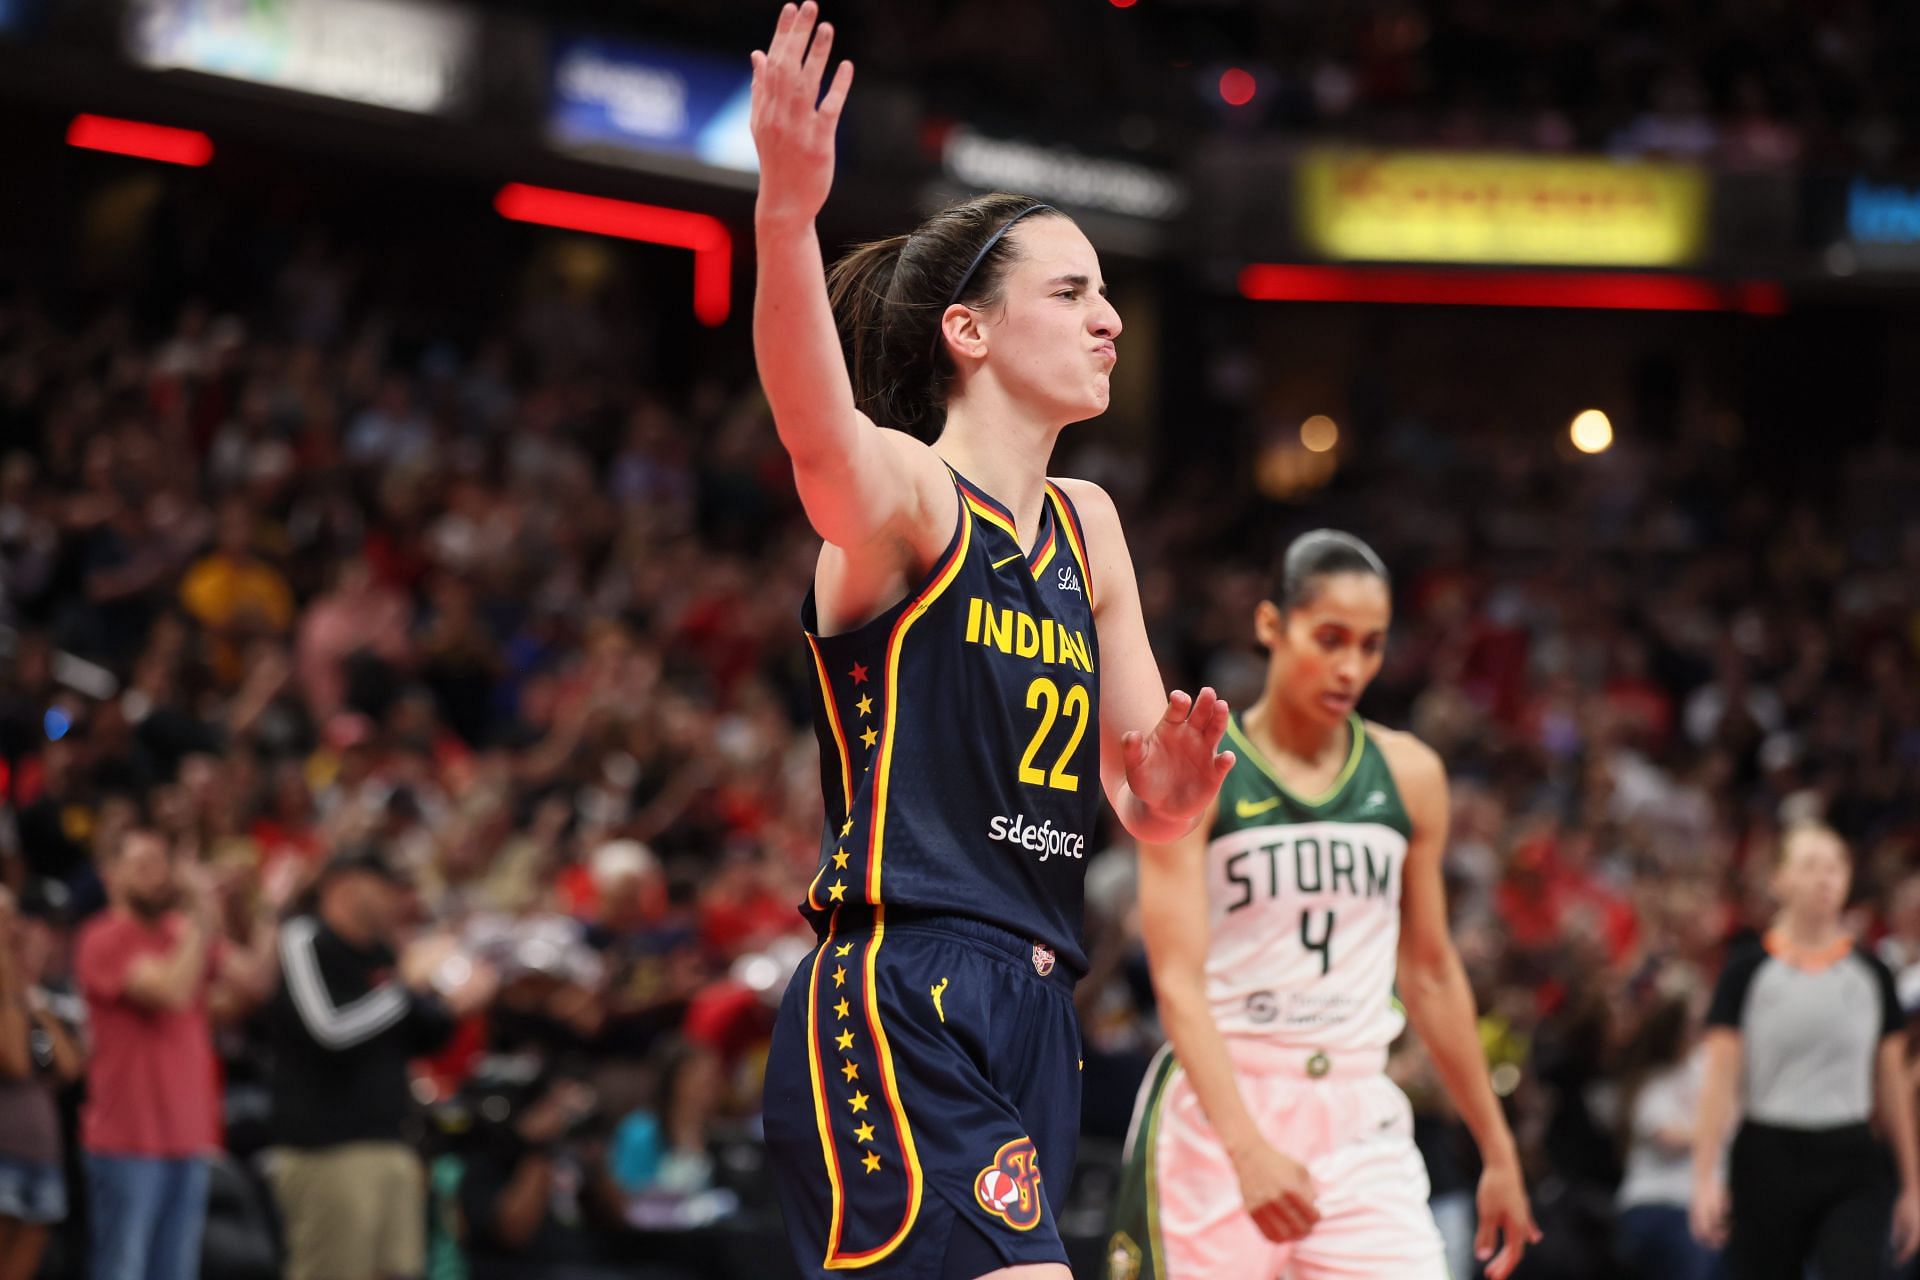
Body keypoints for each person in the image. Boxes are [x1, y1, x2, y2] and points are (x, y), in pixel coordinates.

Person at [747, 5, 1235, 1277]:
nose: (1109, 317)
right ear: (967, 330)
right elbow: (812, 430)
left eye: (1110, 291)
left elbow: (1141, 794)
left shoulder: (1090, 527)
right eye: (1072, 291)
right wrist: (788, 219)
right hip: (900, 983)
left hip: (1038, 999)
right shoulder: (909, 495)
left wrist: (1169, 795)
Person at [1108, 531, 1539, 1280]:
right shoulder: (1201, 770)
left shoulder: (1410, 774)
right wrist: (1245, 1147)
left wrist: (1498, 1151)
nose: (1351, 667)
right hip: (1222, 1108)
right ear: (1272, 625)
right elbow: (1176, 980)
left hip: (1357, 1111)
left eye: (1371, 646)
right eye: (1330, 638)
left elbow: (1433, 974)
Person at [1691, 821, 1920, 1279]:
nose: (1825, 878)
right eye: (1811, 865)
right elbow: (1720, 1079)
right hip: (1768, 1154)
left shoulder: (1873, 976)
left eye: (1836, 867)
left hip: (1851, 1154)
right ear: (1780, 879)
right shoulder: (1746, 971)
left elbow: (1893, 1084)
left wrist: (1913, 1185)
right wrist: (1703, 1179)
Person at [265, 844, 496, 1280]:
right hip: (329, 1150)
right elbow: (329, 1029)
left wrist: (456, 1005)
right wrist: (405, 987)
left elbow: (422, 1038)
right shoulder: (307, 938)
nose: (397, 900)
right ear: (346, 885)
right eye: (387, 887)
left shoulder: (382, 957)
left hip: (393, 1144)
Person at [75, 828, 273, 1280]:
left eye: (162, 865)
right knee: (122, 1270)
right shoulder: (102, 937)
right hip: (125, 1139)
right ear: (111, 876)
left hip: (186, 1136)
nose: (157, 876)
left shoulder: (178, 933)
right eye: (142, 866)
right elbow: (171, 991)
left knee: (177, 1271)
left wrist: (268, 907)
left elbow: (255, 981)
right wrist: (203, 916)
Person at [0, 884, 86, 1280]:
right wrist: (8, 973)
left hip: (40, 1155)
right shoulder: (10, 995)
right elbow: (16, 1061)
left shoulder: (35, 995)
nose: (14, 929)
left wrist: (27, 989)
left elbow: (67, 1065)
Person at [1613, 981, 1717, 1280]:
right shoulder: (1651, 1083)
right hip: (1658, 1203)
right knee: (1693, 1258)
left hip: (1708, 1207)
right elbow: (1670, 1139)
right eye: (1691, 1024)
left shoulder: (1709, 1067)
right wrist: (1716, 1122)